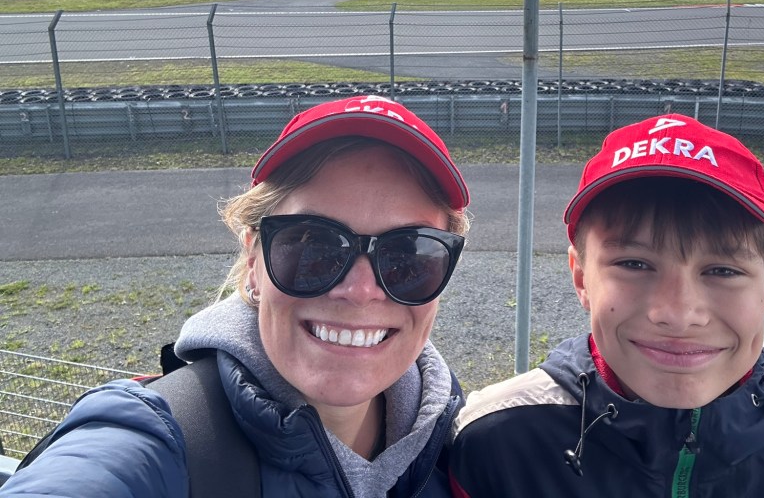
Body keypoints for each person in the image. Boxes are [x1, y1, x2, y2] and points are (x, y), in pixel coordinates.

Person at [2, 95, 471, 497]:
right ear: (254, 260)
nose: (360, 291)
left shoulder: (466, 446)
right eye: (313, 246)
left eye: (408, 257)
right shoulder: (155, 437)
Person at [449, 113, 764, 497]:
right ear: (582, 278)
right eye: (634, 264)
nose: (678, 314)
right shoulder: (493, 440)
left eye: (722, 271)